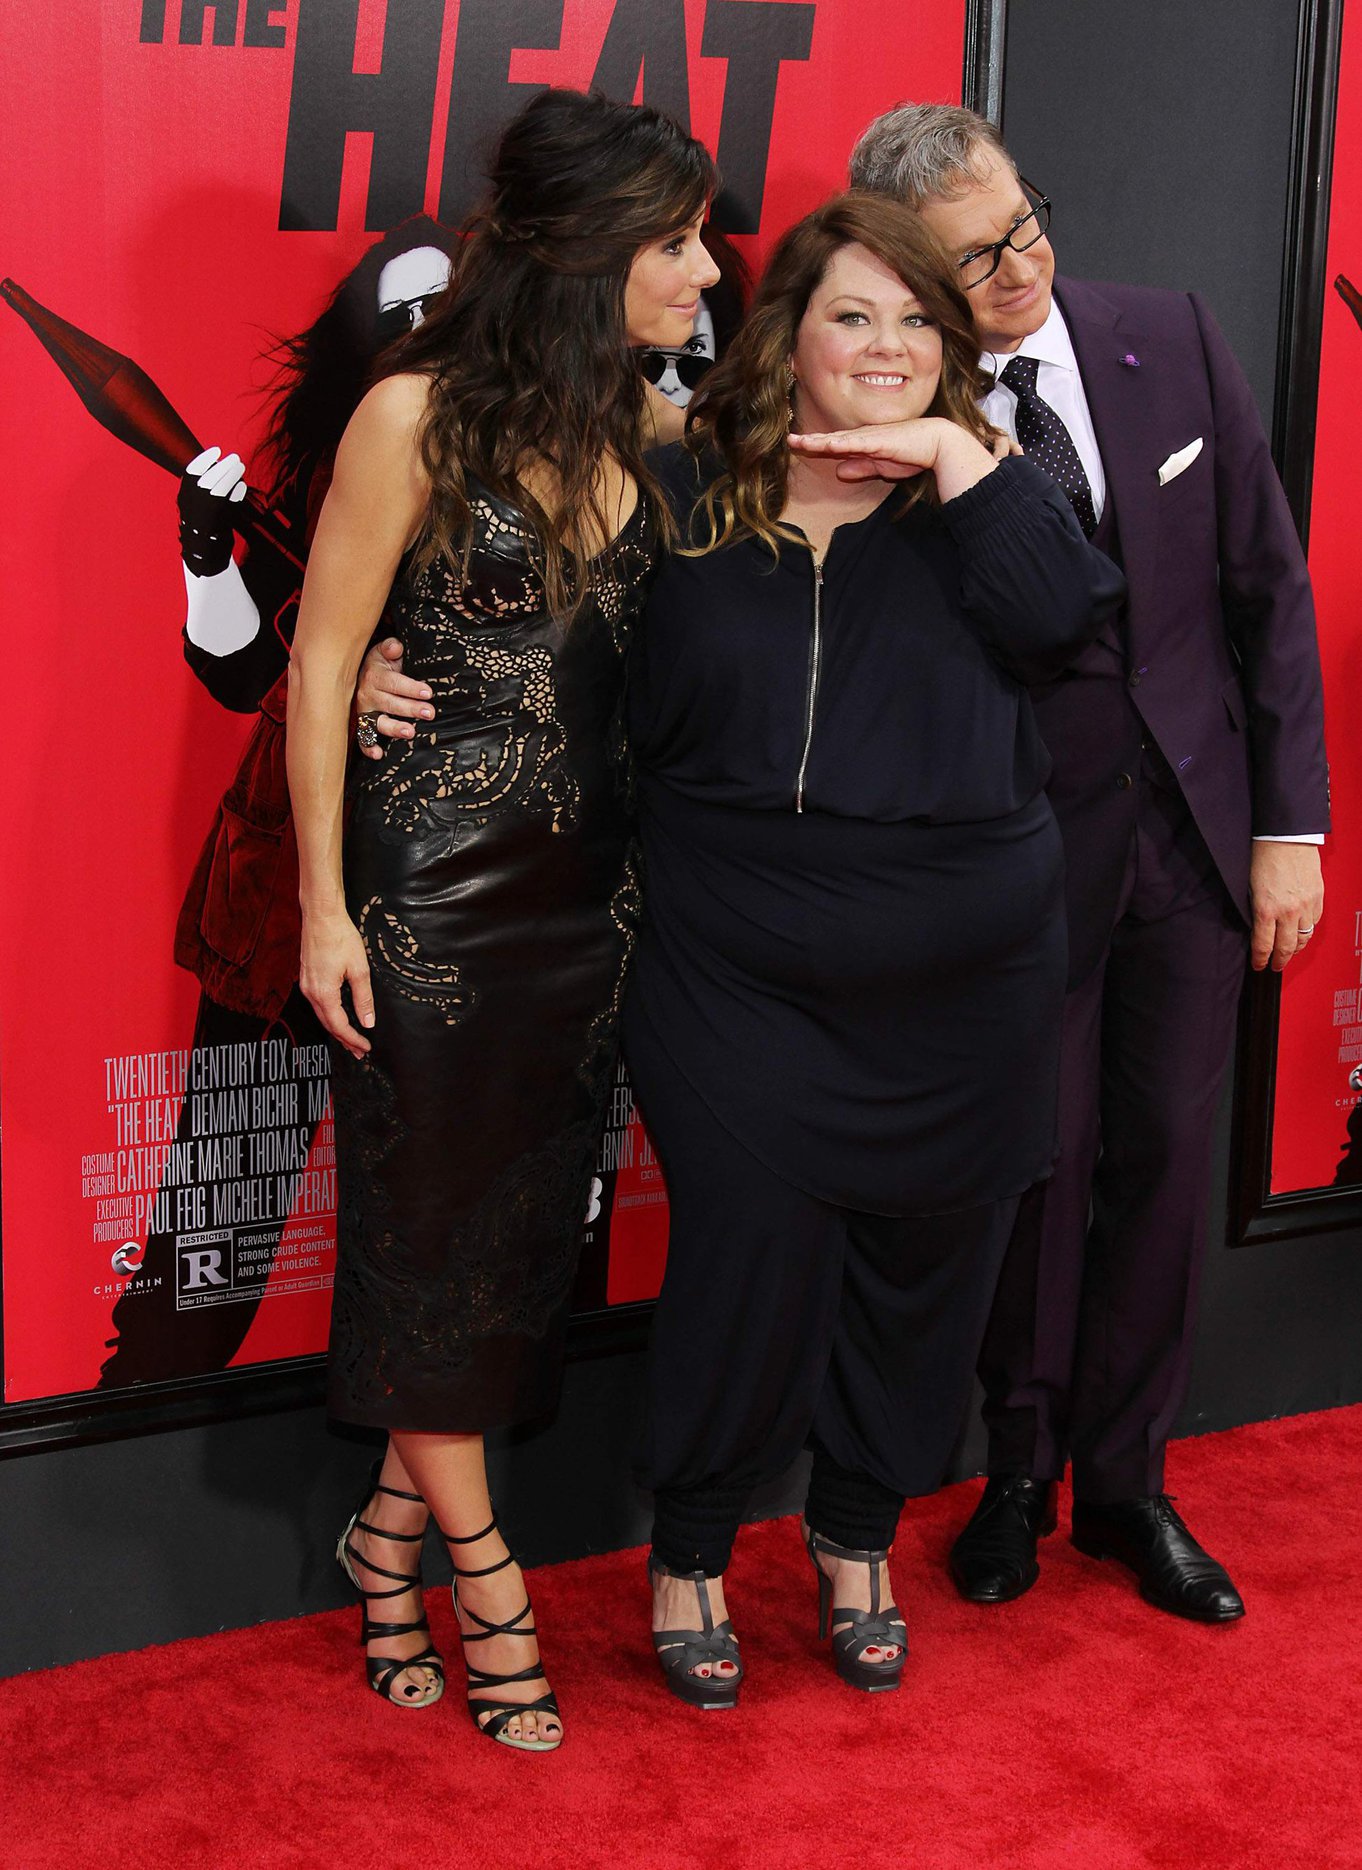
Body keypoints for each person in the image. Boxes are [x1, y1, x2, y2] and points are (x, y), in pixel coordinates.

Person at [622, 191, 1123, 1706]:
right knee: (744, 1257)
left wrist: (955, 457)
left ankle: (853, 1540)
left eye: (919, 318)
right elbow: (563, 663)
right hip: (735, 967)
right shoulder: (681, 486)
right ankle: (691, 1548)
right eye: (855, 313)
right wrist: (394, 674)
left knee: (927, 1265)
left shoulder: (1003, 488)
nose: (889, 345)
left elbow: (1066, 621)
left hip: (963, 983)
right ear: (790, 331)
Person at [849, 104, 1329, 1621]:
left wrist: (1286, 830)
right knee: (1030, 1172)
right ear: (907, 277)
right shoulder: (897, 400)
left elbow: (1268, 593)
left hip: (1193, 847)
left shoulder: (1168, 335)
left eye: (1021, 221)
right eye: (973, 256)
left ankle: (1129, 1485)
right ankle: (1016, 1472)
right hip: (1014, 858)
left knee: (1166, 1169)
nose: (1018, 263)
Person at [286, 88, 719, 1750]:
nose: (699, 270)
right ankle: (487, 1584)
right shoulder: (411, 415)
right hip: (426, 899)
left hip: (588, 905)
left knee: (509, 1249)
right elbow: (326, 663)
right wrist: (325, 909)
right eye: (672, 242)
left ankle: (381, 1540)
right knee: (426, 1242)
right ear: (583, 249)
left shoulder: (640, 424)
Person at [98, 217, 458, 1389]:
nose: (430, 339)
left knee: (444, 1228)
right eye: (403, 318)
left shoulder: (535, 476)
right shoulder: (317, 484)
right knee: (219, 1225)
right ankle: (143, 1422)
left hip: (465, 907)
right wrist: (210, 558)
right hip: (292, 910)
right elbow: (245, 672)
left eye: (451, 309)